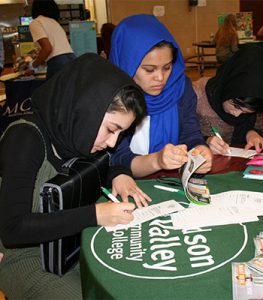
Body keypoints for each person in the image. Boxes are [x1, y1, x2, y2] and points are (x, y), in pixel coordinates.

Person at [0, 53, 151, 299]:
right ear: (85, 109)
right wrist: (94, 215)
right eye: (111, 130)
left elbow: (94, 169)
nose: (112, 143)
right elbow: (13, 229)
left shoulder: (75, 132)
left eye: (120, 134)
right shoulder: (25, 139)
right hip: (25, 256)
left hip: (70, 242)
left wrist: (119, 174)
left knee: (130, 282)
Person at [109, 14, 212, 178]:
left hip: (170, 180)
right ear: (126, 63)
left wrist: (201, 150)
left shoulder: (180, 87)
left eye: (167, 67)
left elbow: (190, 134)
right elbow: (116, 159)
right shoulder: (111, 95)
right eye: (149, 70)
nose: (160, 78)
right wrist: (156, 160)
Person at [192, 45, 263, 155]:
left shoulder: (256, 99)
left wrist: (252, 133)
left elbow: (257, 125)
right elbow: (181, 135)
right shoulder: (196, 95)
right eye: (236, 106)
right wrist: (205, 141)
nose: (237, 115)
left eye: (246, 112)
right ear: (228, 89)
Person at [28, 0, 76, 79]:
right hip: (72, 59)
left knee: (52, 90)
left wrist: (32, 66)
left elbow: (47, 48)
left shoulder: (36, 22)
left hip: (58, 63)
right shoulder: (55, 23)